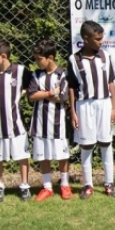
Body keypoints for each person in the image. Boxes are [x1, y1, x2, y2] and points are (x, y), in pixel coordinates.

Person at [68, 21, 115, 200]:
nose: (101, 41)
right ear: (86, 38)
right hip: (84, 105)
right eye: (97, 39)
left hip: (104, 104)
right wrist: (73, 112)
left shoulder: (105, 56)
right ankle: (88, 185)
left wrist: (114, 107)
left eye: (102, 38)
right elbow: (72, 87)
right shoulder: (74, 59)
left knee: (106, 143)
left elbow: (111, 82)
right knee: (87, 145)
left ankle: (109, 183)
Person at [0, 39, 32, 202]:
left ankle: (24, 186)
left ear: (3, 56)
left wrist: (21, 93)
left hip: (16, 124)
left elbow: (30, 86)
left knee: (22, 155)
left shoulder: (21, 71)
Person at [28, 40, 72, 201]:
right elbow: (32, 96)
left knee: (62, 155)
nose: (36, 62)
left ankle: (65, 185)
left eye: (39, 58)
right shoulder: (36, 75)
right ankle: (47, 187)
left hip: (58, 124)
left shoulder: (63, 75)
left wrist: (44, 93)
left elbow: (63, 98)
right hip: (40, 123)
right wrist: (52, 92)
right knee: (43, 155)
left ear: (50, 57)